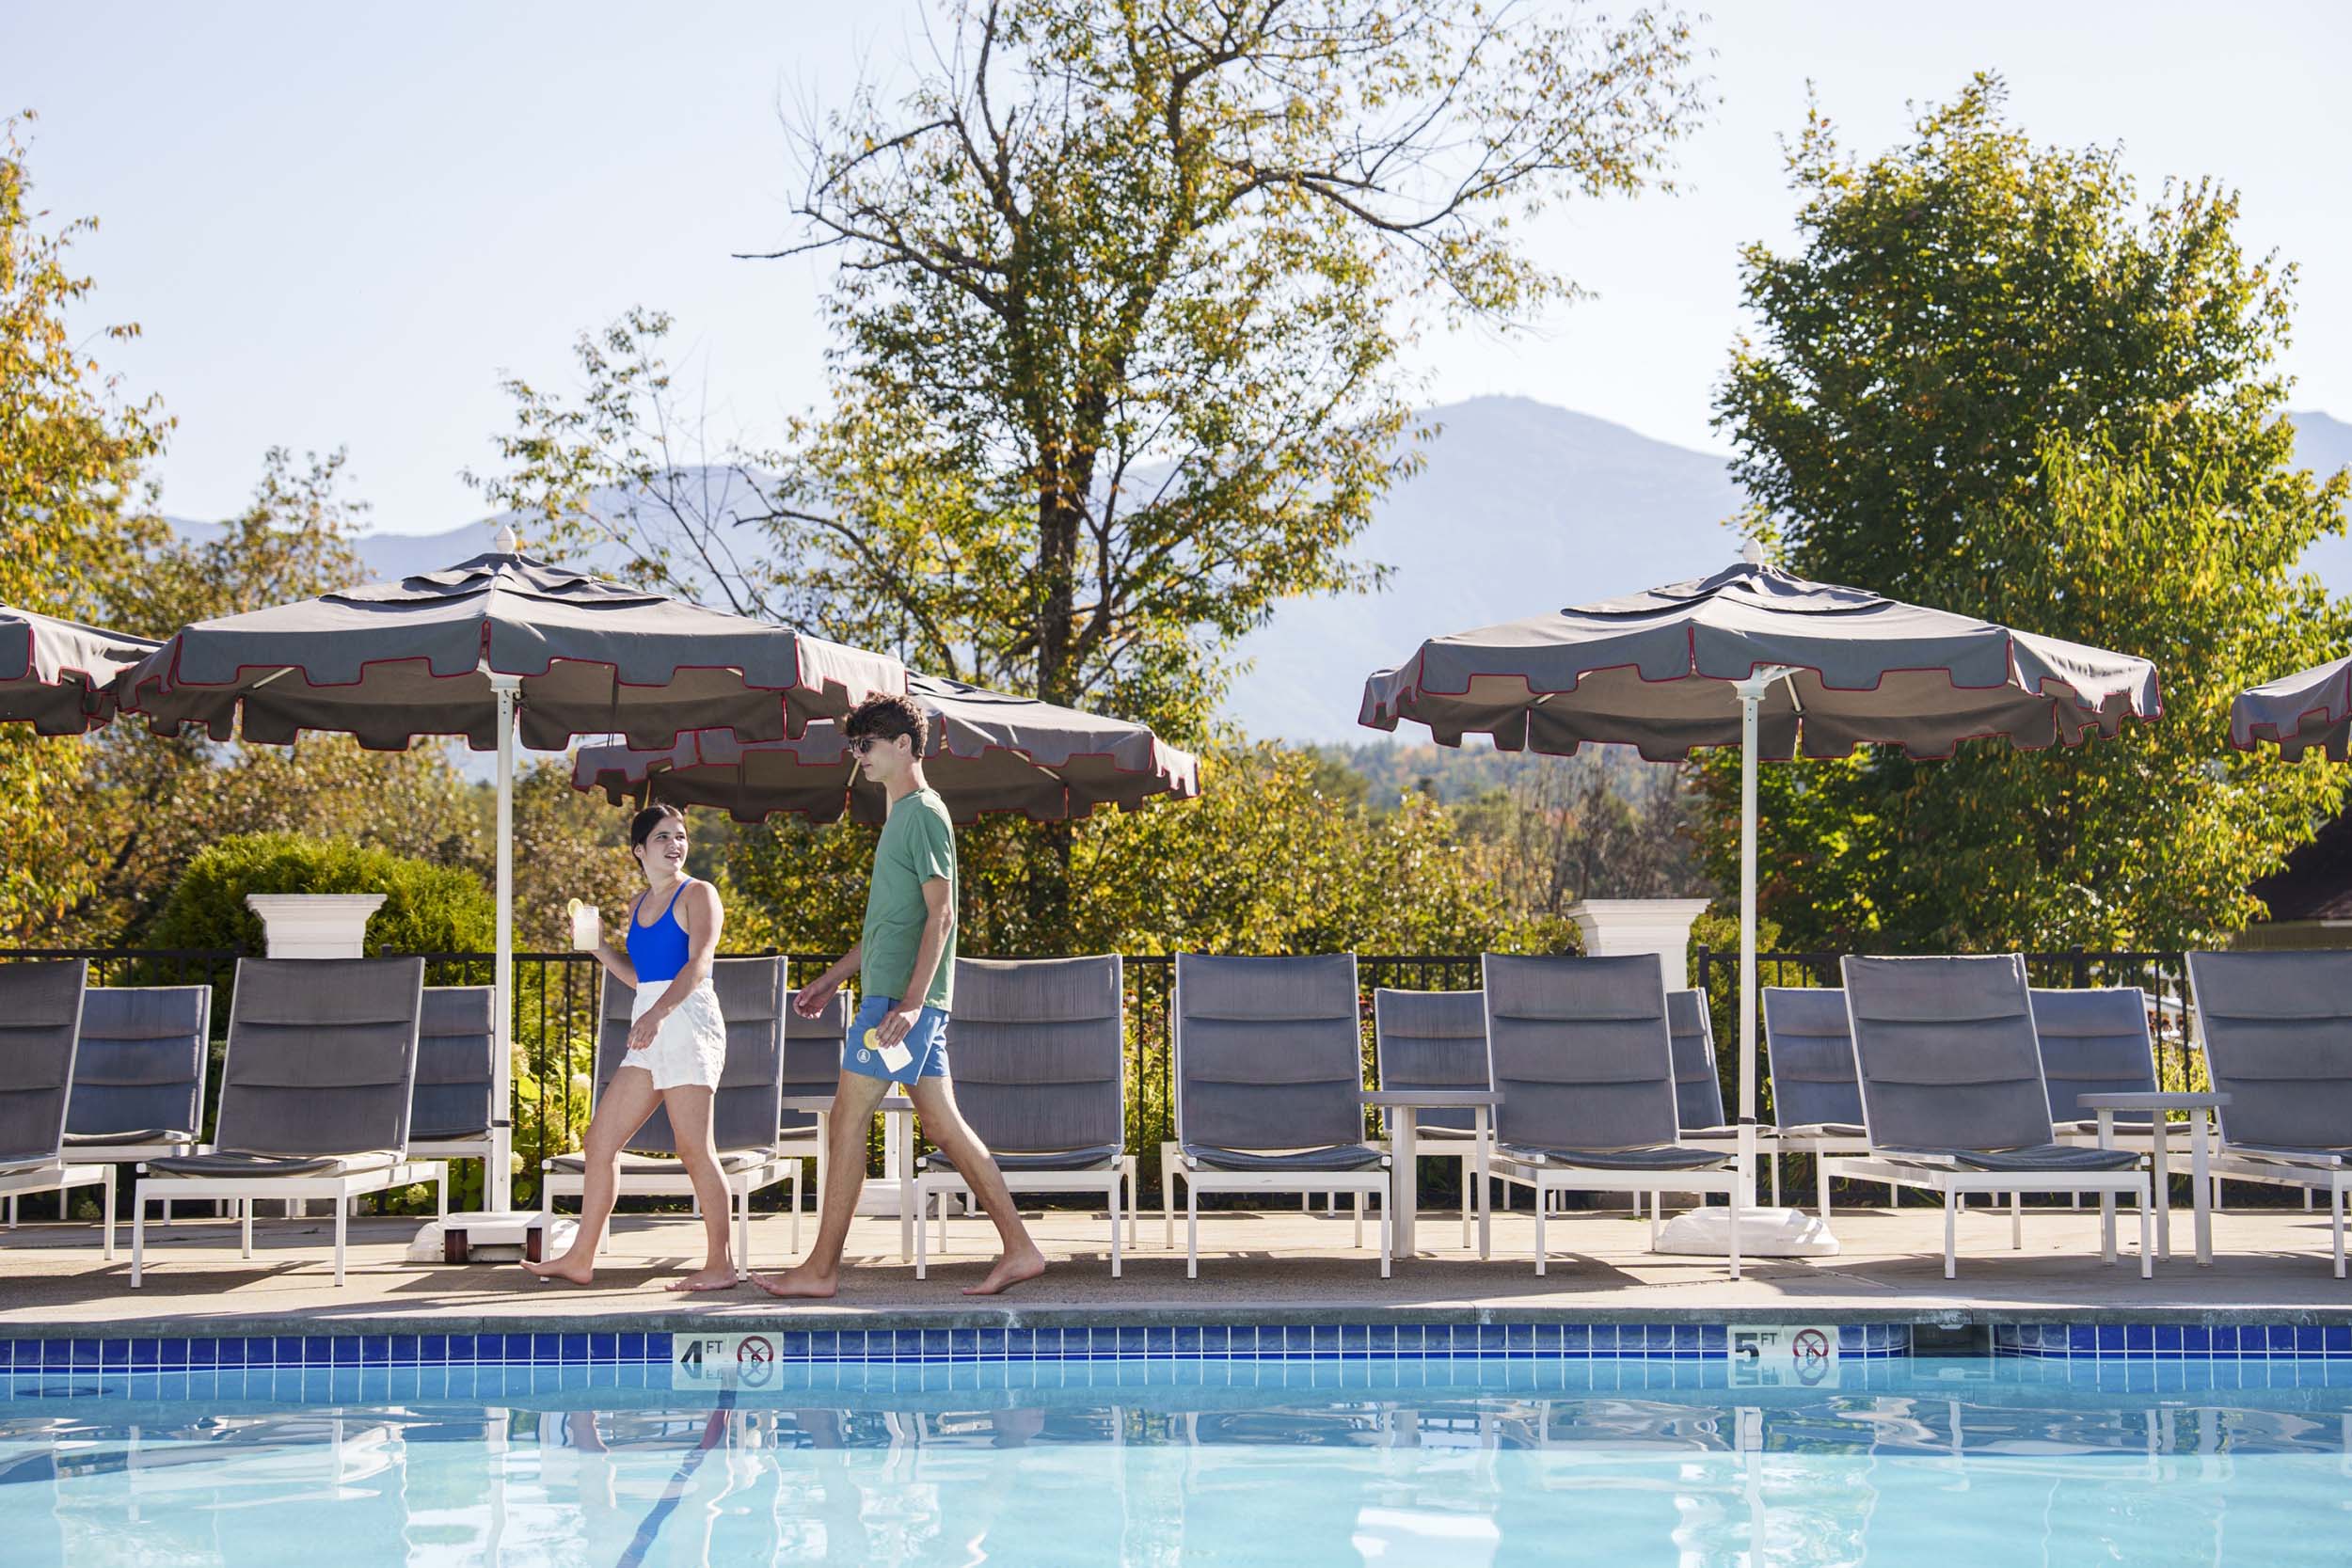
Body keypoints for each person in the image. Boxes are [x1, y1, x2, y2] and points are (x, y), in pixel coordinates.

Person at [755, 693, 1046, 1298]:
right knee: (945, 1127)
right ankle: (1020, 1249)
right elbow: (892, 925)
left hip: (897, 1005)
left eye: (866, 745)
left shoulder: (923, 813)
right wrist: (835, 976)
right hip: (893, 997)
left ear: (904, 746)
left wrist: (911, 1004)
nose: (857, 756)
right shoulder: (902, 817)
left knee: (846, 1119)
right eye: (855, 746)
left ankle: (821, 1270)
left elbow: (941, 916)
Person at [523, 803, 740, 1291]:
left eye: (680, 836)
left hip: (686, 1021)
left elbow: (698, 965)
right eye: (663, 837)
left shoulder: (699, 894)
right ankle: (580, 1258)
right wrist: (600, 948)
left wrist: (658, 1013)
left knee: (693, 1148)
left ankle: (719, 1264)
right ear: (639, 850)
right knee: (599, 1142)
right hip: (653, 1021)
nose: (675, 845)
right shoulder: (637, 905)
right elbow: (642, 977)